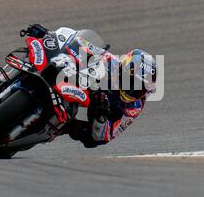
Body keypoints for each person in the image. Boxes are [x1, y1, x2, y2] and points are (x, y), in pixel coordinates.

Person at [21, 23, 157, 148]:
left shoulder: (134, 107)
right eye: (131, 81)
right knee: (46, 55)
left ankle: (39, 130)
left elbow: (106, 136)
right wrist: (48, 36)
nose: (131, 89)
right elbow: (77, 41)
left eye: (139, 89)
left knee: (89, 137)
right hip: (76, 83)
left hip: (93, 107)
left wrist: (101, 116)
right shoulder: (109, 61)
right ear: (123, 67)